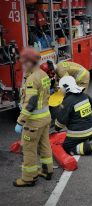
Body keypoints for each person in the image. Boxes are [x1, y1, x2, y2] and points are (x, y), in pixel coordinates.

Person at [13, 48, 53, 187]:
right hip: (45, 117)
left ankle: (29, 178)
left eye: (24, 62)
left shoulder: (32, 79)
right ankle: (47, 171)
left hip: (34, 122)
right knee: (44, 144)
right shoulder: (43, 74)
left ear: (30, 62)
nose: (23, 65)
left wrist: (20, 121)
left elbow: (30, 103)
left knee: (29, 149)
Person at [54, 76, 92, 156]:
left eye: (61, 88)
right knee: (84, 136)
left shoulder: (67, 101)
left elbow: (61, 121)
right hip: (90, 129)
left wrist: (56, 127)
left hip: (78, 133)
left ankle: (90, 147)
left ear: (66, 88)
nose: (60, 90)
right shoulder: (84, 95)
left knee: (68, 146)